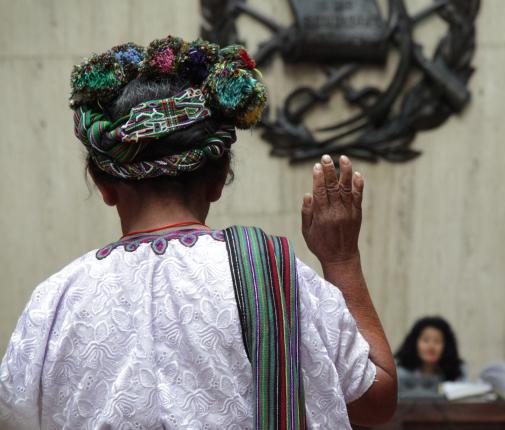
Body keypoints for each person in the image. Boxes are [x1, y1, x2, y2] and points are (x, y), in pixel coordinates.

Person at [0, 37, 397, 429]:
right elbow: (376, 399)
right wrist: (341, 258)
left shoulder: (53, 303)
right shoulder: (277, 278)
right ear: (220, 177)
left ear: (102, 183)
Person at [395, 316, 465, 387]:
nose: (431, 347)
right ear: (414, 343)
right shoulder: (398, 373)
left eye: (437, 341)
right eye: (426, 340)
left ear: (447, 346)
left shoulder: (456, 373)